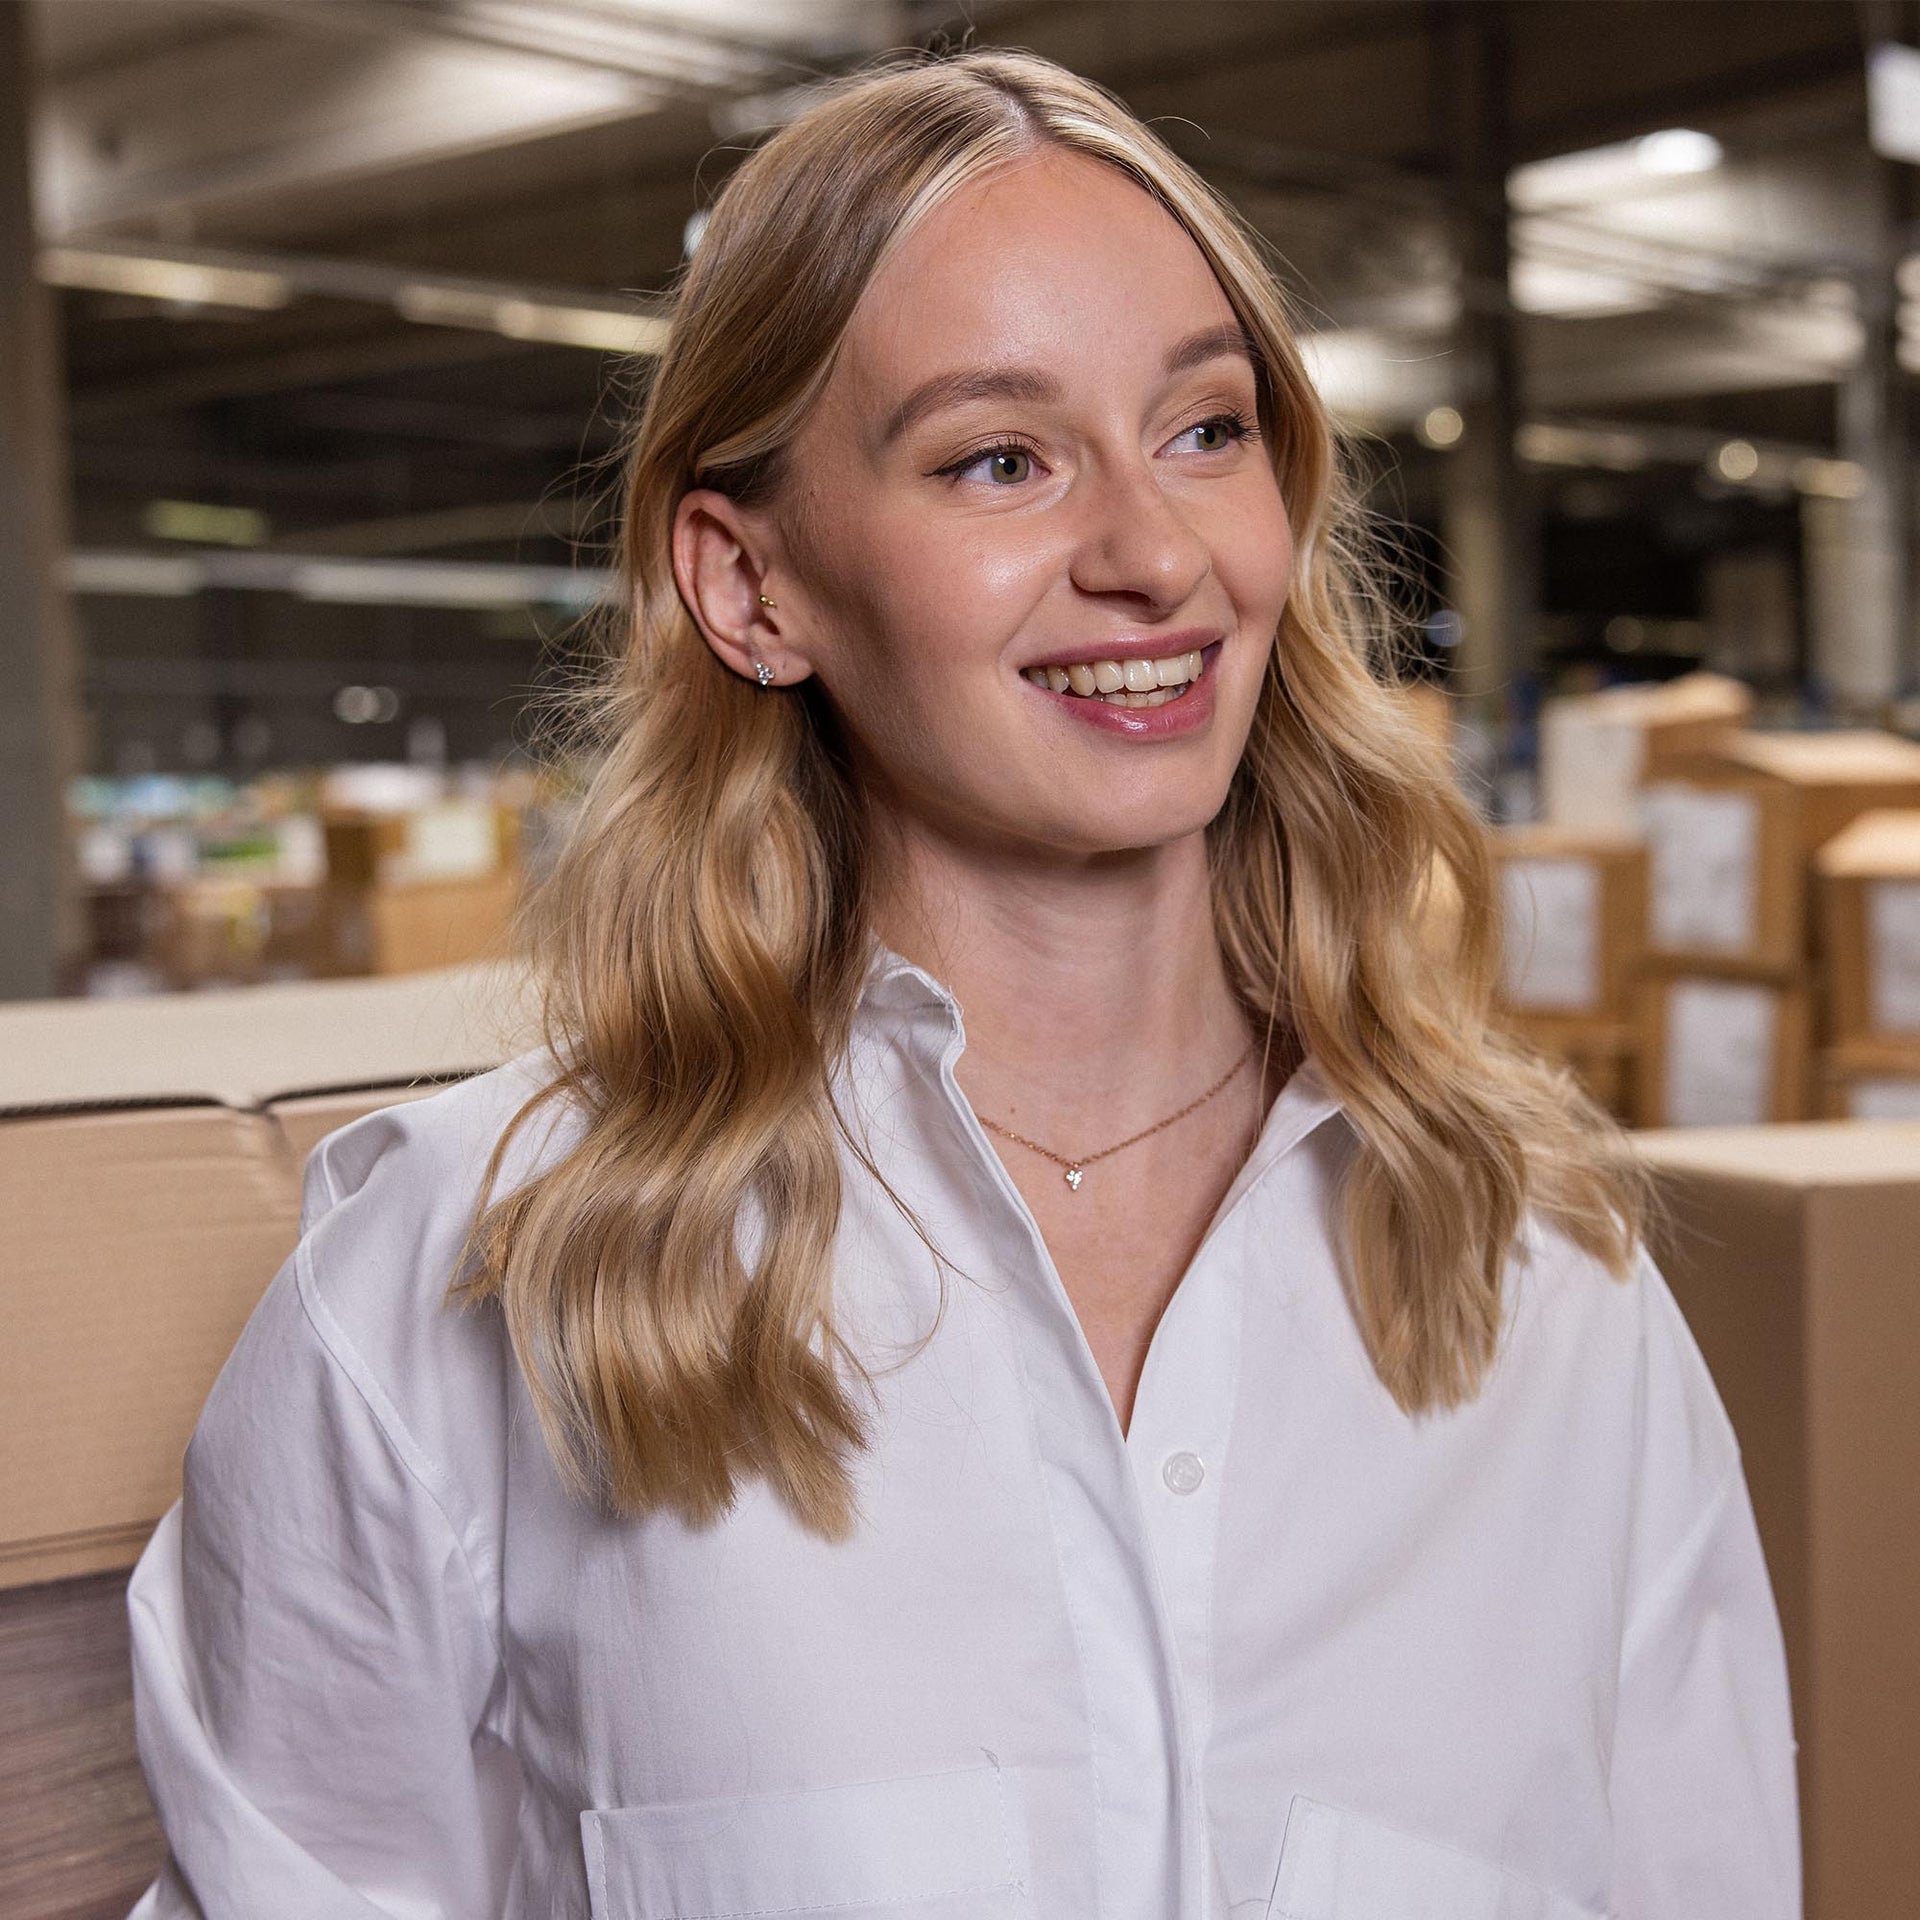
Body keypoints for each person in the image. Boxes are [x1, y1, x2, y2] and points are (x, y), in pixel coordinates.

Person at [125, 46, 1799, 1920]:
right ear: (750, 588)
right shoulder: (459, 1299)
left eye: (1205, 429)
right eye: (1000, 457)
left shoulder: (1541, 1280)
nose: (1155, 554)